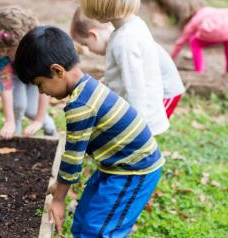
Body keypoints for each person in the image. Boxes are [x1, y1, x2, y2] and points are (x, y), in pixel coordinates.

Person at [14, 25, 164, 237]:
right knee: (83, 220)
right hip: (114, 165)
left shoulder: (80, 106)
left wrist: (58, 200)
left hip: (134, 169)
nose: (42, 92)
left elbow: (73, 159)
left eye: (40, 84)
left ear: (57, 71)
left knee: (99, 230)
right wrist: (59, 185)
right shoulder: (86, 87)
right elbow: (75, 154)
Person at [71, 7, 185, 118]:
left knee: (150, 125)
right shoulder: (117, 38)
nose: (89, 50)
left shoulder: (124, 43)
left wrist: (136, 120)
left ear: (93, 35)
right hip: (147, 88)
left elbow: (134, 85)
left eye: (86, 44)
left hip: (166, 89)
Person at [79, 0, 169, 136]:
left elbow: (135, 89)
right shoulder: (135, 25)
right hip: (138, 115)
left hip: (137, 121)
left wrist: (136, 129)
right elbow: (130, 73)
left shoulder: (125, 40)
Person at [0, 6, 56, 139]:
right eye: (3, 51)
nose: (7, 56)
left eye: (11, 52)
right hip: (17, 76)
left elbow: (46, 85)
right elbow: (6, 85)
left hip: (36, 77)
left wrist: (38, 120)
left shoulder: (40, 51)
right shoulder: (5, 49)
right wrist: (8, 121)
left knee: (32, 111)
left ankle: (50, 130)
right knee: (18, 106)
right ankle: (15, 136)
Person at [171, 7, 228, 74]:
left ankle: (199, 71)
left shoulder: (196, 18)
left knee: (194, 41)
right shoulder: (208, 10)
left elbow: (181, 41)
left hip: (218, 28)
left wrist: (171, 58)